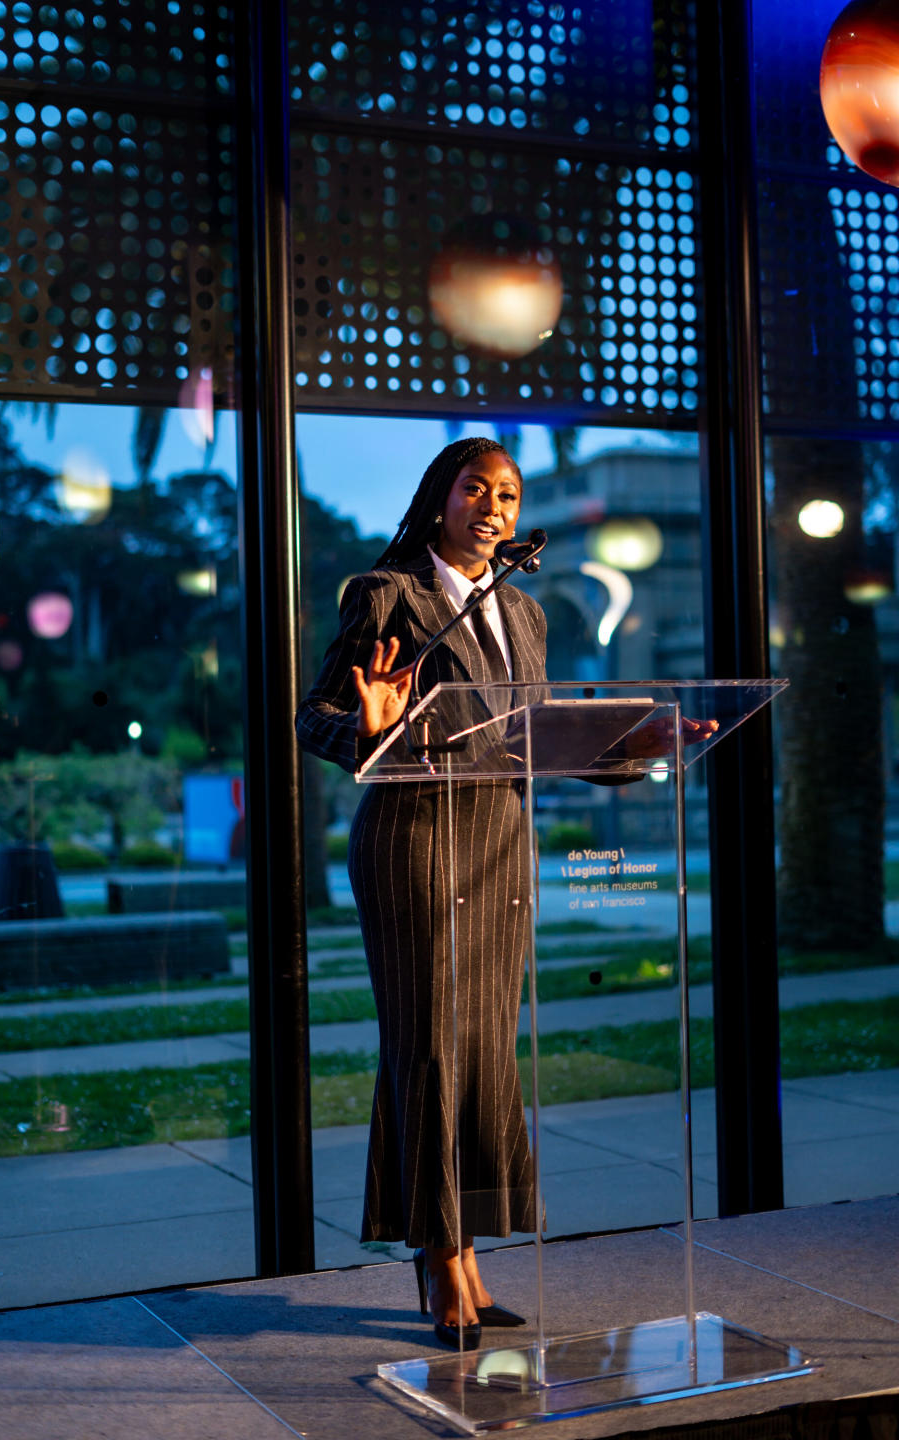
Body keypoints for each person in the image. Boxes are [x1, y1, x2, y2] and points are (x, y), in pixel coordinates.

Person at [296, 436, 542, 1350]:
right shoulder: (387, 595)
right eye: (476, 489)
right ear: (440, 497)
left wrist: (634, 748)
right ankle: (439, 1257)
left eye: (510, 496)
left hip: (500, 850)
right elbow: (312, 715)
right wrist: (371, 732)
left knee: (483, 1056)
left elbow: (533, 733)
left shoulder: (523, 610)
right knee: (432, 1052)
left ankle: (471, 1255)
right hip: (417, 849)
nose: (493, 508)